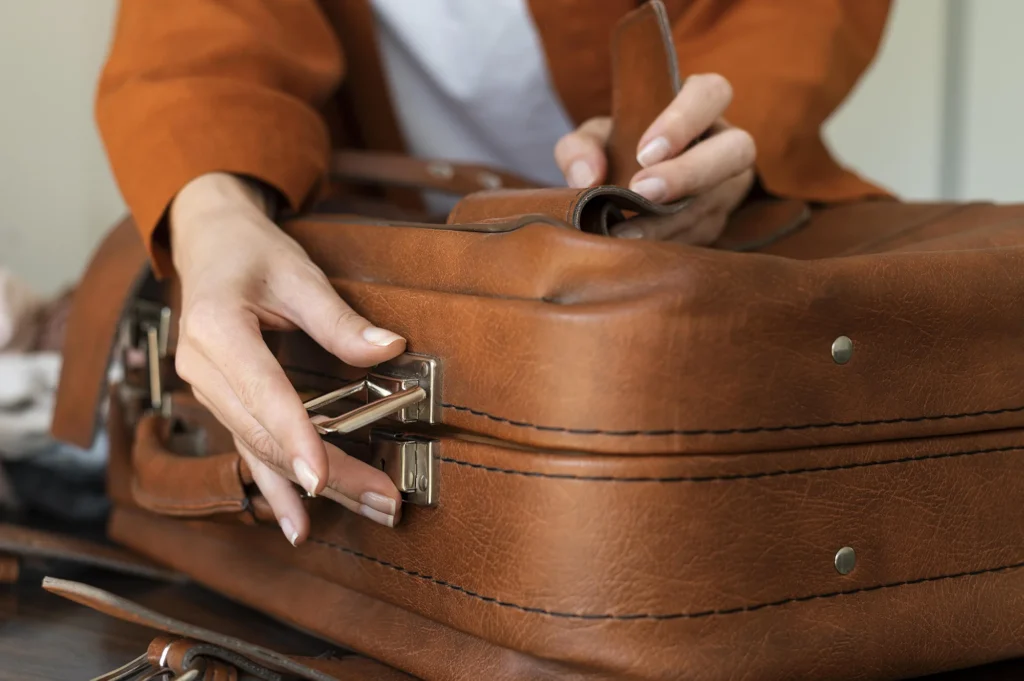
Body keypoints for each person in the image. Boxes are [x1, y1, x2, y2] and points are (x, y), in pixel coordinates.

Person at [94, 0, 892, 546]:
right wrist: (212, 210)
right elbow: (194, 39)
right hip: (376, 245)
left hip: (705, 252)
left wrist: (719, 126)